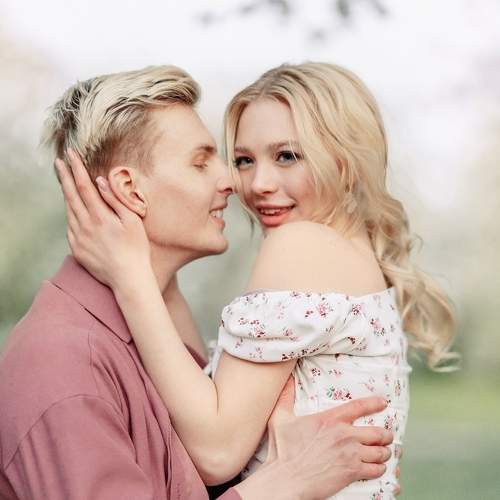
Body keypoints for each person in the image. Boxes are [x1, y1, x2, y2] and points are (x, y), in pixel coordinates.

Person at [56, 62, 456, 499]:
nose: (257, 183)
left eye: (287, 156)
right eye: (245, 160)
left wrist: (131, 277)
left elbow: (215, 453)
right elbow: (203, 388)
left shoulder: (300, 245)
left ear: (345, 159)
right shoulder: (349, 252)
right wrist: (157, 270)